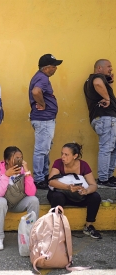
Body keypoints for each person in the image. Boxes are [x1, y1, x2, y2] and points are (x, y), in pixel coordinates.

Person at [0, 146, 39, 250]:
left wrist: (27, 172)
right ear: (7, 160)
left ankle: (32, 235)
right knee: (1, 202)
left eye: (21, 158)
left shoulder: (22, 170)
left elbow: (31, 192)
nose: (19, 160)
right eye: (16, 158)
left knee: (34, 200)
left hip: (16, 202)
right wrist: (6, 176)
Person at [47, 143, 102, 239]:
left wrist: (86, 191)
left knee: (95, 197)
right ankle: (56, 227)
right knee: (57, 196)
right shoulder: (58, 163)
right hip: (62, 194)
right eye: (62, 154)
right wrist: (68, 187)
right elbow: (51, 181)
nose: (63, 157)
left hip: (77, 196)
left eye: (66, 155)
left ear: (75, 156)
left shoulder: (84, 165)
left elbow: (93, 185)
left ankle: (88, 226)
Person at [29, 54, 63, 190]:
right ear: (47, 68)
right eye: (54, 66)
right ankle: (39, 179)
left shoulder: (40, 77)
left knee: (44, 149)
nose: (56, 69)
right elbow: (36, 92)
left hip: (44, 119)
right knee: (41, 150)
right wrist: (42, 104)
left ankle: (43, 176)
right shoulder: (42, 78)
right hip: (43, 119)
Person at [83, 59, 116, 187]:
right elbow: (98, 83)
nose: (111, 69)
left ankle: (108, 176)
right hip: (105, 118)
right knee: (107, 148)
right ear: (99, 68)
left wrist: (108, 83)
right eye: (108, 66)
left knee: (112, 149)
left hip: (104, 118)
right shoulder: (96, 77)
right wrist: (107, 98)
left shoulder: (91, 80)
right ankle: (103, 179)